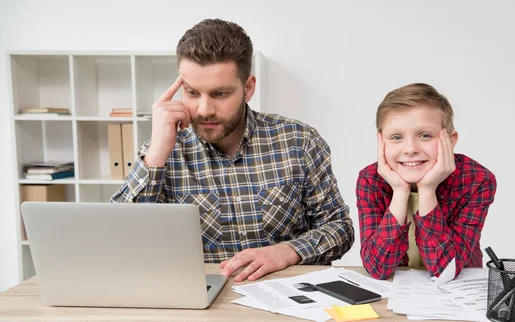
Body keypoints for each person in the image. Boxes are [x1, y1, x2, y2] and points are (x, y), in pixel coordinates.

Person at [111, 19, 354, 282]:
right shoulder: (163, 151)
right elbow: (120, 242)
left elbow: (339, 229)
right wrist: (157, 150)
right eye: (192, 93)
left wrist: (288, 251)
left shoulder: (299, 141)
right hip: (201, 302)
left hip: (287, 298)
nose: (204, 109)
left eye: (220, 94)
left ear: (248, 88)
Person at [356, 83, 496, 280]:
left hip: (456, 293)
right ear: (381, 142)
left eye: (425, 135)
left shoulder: (477, 180)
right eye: (396, 137)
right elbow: (378, 268)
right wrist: (400, 192)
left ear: (451, 140)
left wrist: (427, 190)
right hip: (396, 292)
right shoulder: (370, 180)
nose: (410, 148)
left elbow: (445, 270)